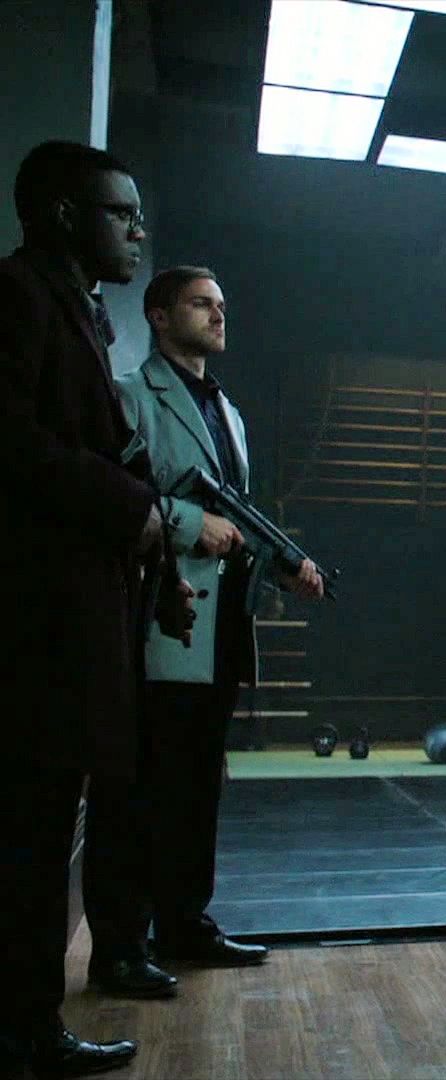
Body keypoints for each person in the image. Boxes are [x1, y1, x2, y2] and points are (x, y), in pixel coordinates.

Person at [0, 140, 194, 1078]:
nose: (138, 231)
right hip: (34, 626)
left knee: (42, 835)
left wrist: (153, 543)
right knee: (29, 838)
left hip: (73, 618)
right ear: (66, 216)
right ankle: (22, 1032)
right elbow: (12, 444)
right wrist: (133, 510)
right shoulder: (18, 297)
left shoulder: (77, 311)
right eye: (122, 214)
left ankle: (26, 1023)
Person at [83, 266, 324, 1001]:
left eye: (221, 305)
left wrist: (284, 563)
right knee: (136, 791)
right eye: (200, 304)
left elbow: (237, 514)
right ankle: (120, 948)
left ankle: (184, 924)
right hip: (158, 615)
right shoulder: (131, 395)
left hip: (219, 625)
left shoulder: (230, 411)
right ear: (159, 316)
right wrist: (190, 523)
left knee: (195, 788)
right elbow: (112, 496)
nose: (218, 315)